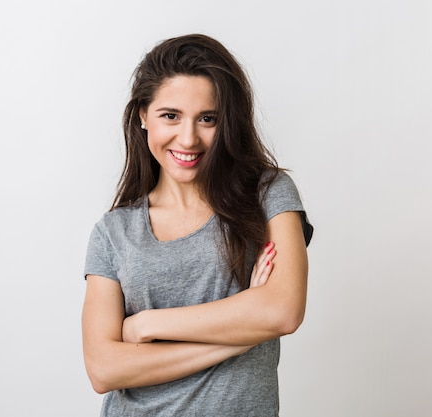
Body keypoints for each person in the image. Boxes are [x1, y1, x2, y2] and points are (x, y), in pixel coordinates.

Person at [82, 34, 313, 416]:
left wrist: (147, 325)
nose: (188, 138)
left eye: (208, 119)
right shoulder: (113, 233)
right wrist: (239, 337)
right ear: (143, 115)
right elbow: (104, 369)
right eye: (170, 115)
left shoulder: (267, 194)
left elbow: (282, 311)